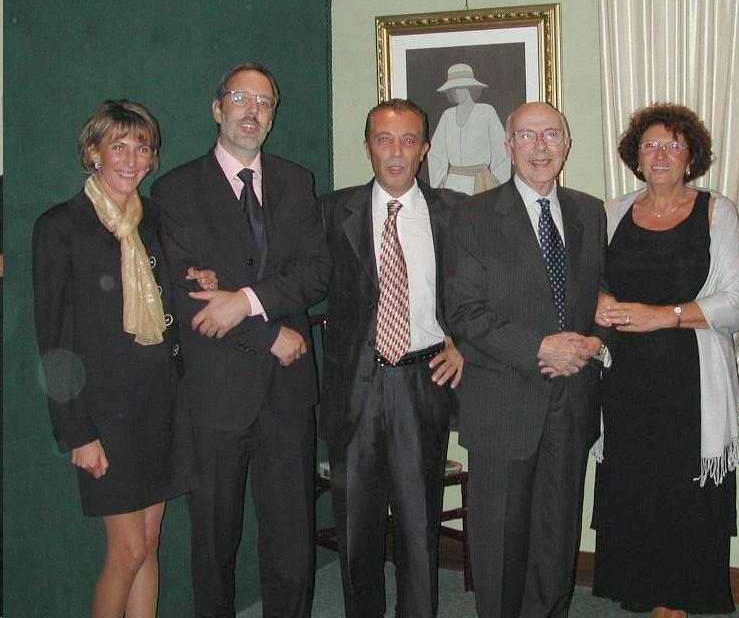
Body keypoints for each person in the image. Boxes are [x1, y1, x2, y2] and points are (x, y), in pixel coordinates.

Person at [151, 62, 331, 618]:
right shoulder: (175, 190)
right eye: (240, 99)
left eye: (264, 103)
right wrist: (269, 331)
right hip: (216, 391)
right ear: (217, 108)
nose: (253, 111)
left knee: (292, 538)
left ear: (273, 117)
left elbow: (317, 273)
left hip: (286, 392)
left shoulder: (296, 181)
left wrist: (246, 300)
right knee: (213, 540)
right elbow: (188, 296)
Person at [33, 101, 197, 617]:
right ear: (93, 153)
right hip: (105, 414)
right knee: (126, 551)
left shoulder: (153, 221)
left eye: (141, 147)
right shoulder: (60, 227)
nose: (131, 159)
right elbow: (53, 340)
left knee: (149, 545)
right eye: (118, 146)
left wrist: (200, 278)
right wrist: (77, 432)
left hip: (160, 402)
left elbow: (173, 291)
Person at [445, 101, 605, 618]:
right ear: (508, 146)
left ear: (567, 144)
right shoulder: (472, 215)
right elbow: (464, 312)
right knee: (499, 540)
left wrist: (594, 343)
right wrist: (539, 348)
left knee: (557, 537)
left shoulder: (589, 211)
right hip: (504, 400)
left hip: (572, 398)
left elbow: (603, 295)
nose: (540, 146)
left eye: (551, 134)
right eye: (527, 136)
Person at [592, 104, 739, 617]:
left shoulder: (715, 211)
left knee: (684, 496)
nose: (661, 155)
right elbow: (590, 280)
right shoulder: (611, 212)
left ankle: (678, 602)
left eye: (673, 145)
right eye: (651, 146)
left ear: (691, 157)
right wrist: (599, 299)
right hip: (624, 380)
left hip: (690, 379)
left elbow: (737, 300)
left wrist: (664, 316)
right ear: (636, 156)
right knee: (635, 489)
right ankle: (642, 594)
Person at [319, 98, 464, 618]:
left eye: (408, 140)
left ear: (425, 149)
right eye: (384, 140)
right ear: (367, 148)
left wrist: (464, 342)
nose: (396, 152)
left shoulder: (455, 213)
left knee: (419, 523)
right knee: (356, 526)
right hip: (355, 385)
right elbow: (294, 273)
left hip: (423, 381)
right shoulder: (332, 211)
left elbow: (483, 291)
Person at [426, 63, 511, 194]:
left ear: (470, 88)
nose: (456, 92)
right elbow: (436, 153)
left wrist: (500, 185)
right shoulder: (447, 115)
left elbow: (501, 151)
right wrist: (438, 185)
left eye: (460, 87)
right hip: (452, 184)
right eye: (453, 88)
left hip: (481, 183)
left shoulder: (486, 111)